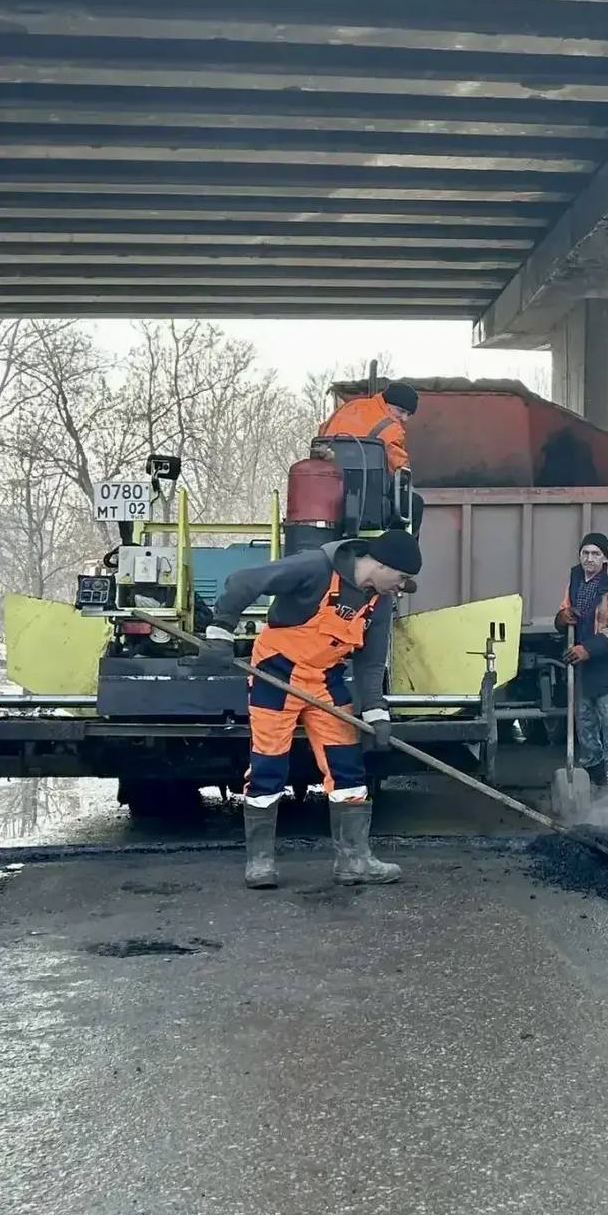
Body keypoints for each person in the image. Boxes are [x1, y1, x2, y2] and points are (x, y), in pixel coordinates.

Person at [197, 530, 422, 889]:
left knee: (347, 767)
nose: (402, 587)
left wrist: (376, 711)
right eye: (402, 577)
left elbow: (370, 662)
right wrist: (220, 631)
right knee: (268, 766)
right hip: (276, 675)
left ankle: (354, 862)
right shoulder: (317, 567)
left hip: (325, 681)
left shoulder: (378, 602)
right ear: (382, 565)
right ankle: (260, 863)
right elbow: (243, 581)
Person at [555, 532, 608, 787]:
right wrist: (562, 618)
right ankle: (595, 782)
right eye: (585, 553)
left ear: (605, 558)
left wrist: (587, 649)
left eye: (595, 554)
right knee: (585, 725)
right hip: (585, 667)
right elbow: (564, 610)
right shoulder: (575, 581)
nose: (589, 558)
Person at [318, 378, 424, 532]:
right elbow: (400, 470)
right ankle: (399, 544)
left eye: (408, 414)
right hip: (367, 502)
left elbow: (321, 436)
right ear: (387, 403)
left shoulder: (348, 407)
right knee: (413, 503)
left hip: (327, 493)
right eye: (400, 411)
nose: (404, 418)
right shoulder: (391, 429)